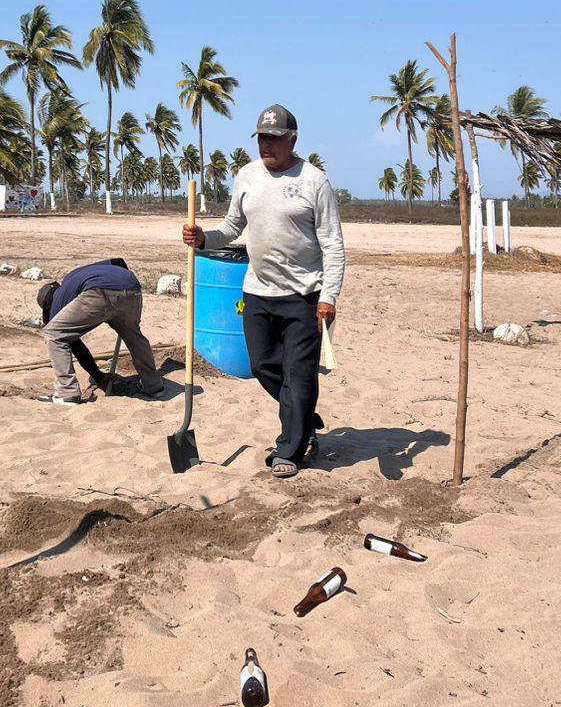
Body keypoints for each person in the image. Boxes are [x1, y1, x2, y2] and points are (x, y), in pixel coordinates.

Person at [182, 103, 345, 479]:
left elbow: (333, 245)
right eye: (262, 138)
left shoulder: (314, 182)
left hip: (304, 295)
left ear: (292, 139)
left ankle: (290, 448)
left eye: (274, 138)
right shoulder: (247, 176)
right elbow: (231, 225)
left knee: (300, 375)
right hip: (257, 292)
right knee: (263, 366)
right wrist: (204, 238)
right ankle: (302, 418)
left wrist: (328, 296)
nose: (266, 145)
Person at [35, 258, 165, 405]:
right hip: (132, 288)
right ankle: (154, 386)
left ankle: (67, 392)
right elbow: (119, 262)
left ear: (47, 307)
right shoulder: (73, 276)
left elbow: (76, 346)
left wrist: (97, 377)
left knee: (53, 333)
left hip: (98, 292)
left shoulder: (57, 305)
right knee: (134, 337)